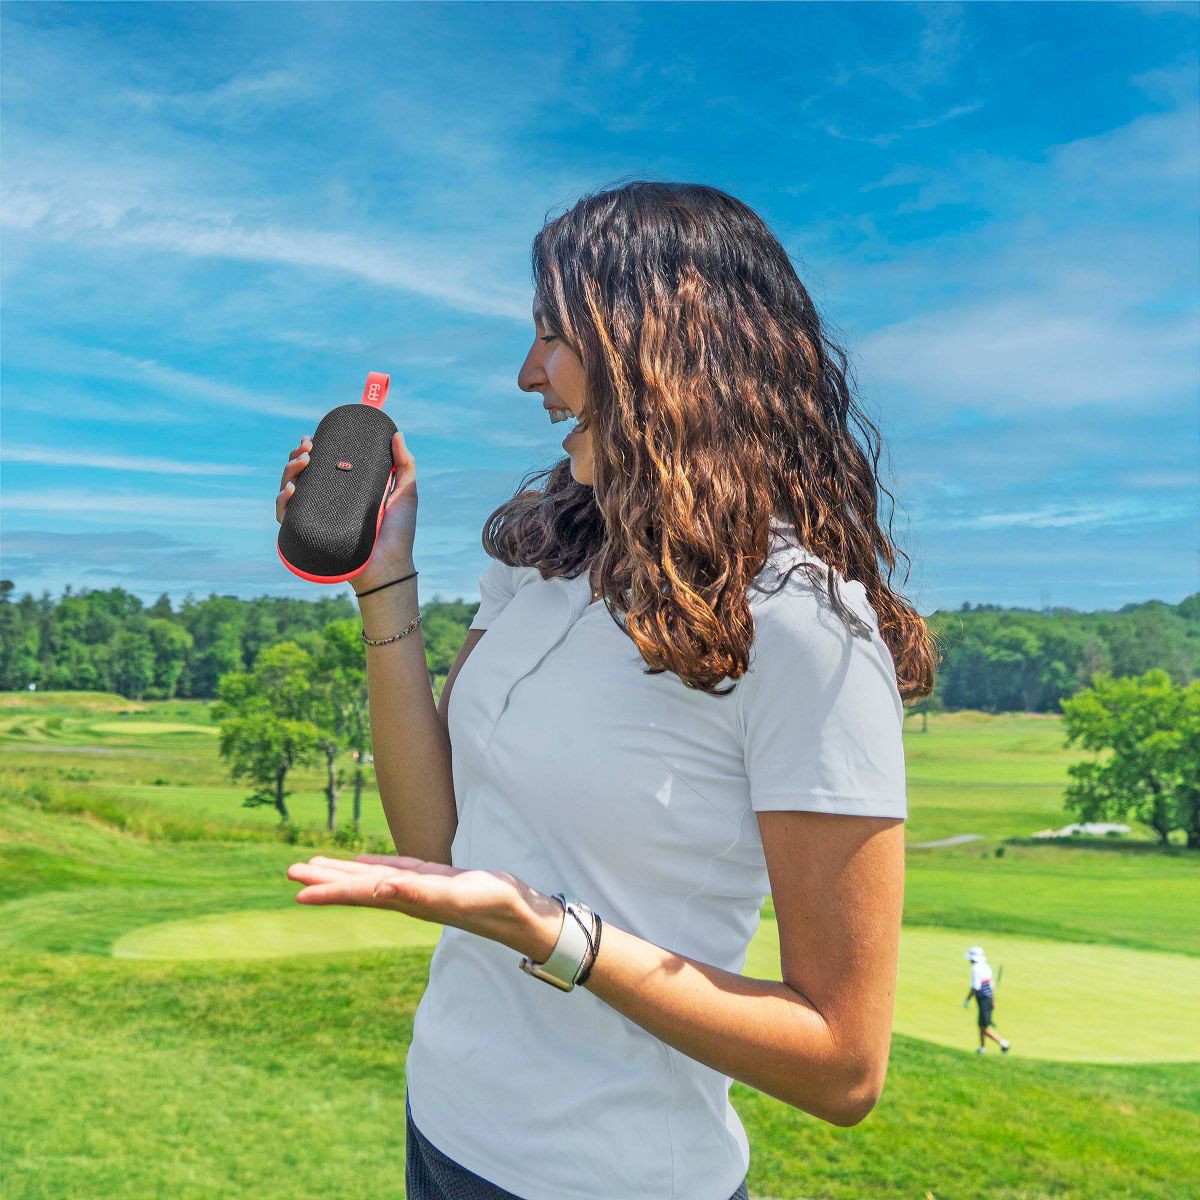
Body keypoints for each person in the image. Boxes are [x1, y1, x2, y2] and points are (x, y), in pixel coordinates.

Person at [279, 180, 937, 1200]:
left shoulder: (810, 630)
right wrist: (383, 579)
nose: (525, 373)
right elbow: (440, 843)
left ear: (662, 347)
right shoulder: (543, 563)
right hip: (445, 1129)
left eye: (553, 335)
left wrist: (554, 936)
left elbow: (842, 1064)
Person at [963, 945, 1011, 1055]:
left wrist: (967, 1000)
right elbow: (991, 985)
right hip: (988, 999)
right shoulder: (986, 966)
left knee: (984, 1027)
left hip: (983, 1000)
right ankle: (982, 1048)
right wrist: (993, 1000)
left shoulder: (975, 968)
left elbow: (975, 987)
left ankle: (1004, 1043)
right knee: (981, 1025)